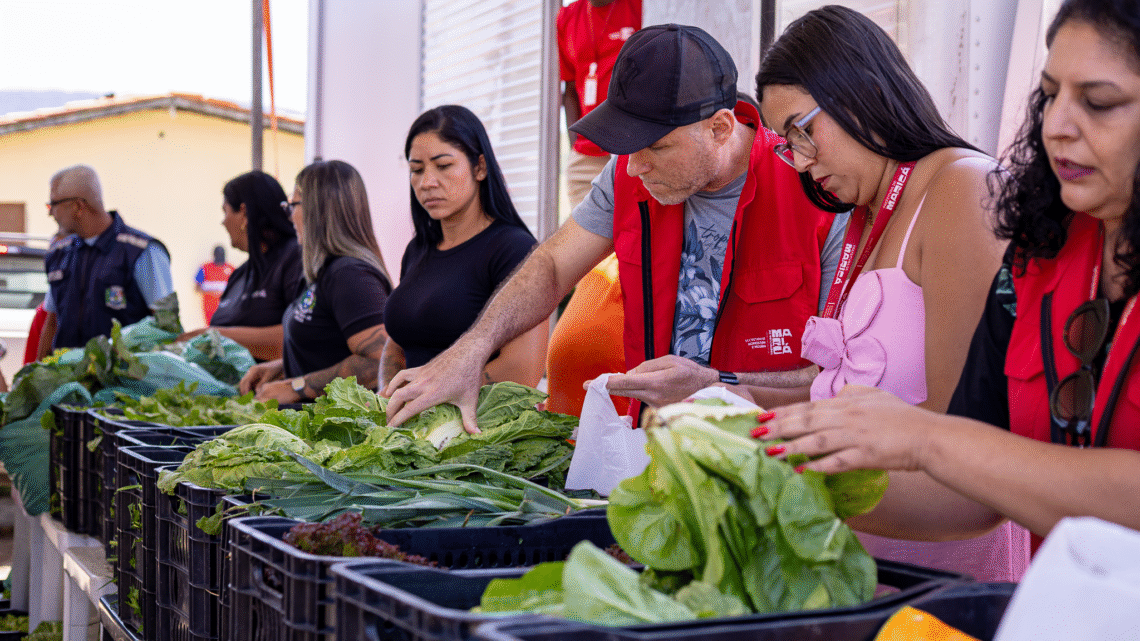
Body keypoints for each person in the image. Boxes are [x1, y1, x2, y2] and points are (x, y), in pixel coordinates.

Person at [755, 0, 1140, 565]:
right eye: (1049, 94)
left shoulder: (963, 190)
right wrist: (758, 468)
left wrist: (924, 439)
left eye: (1099, 102)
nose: (1055, 126)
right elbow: (970, 495)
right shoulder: (1046, 245)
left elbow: (954, 448)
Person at [384, 24, 844, 433]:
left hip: (778, 468)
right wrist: (472, 348)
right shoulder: (627, 172)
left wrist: (715, 383)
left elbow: (836, 380)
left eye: (657, 147)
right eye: (627, 144)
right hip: (651, 455)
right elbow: (550, 267)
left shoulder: (820, 192)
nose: (635, 166)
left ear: (720, 128)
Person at [755, 6, 1023, 581]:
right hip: (866, 568)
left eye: (803, 130)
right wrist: (726, 401)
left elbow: (969, 446)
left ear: (863, 89)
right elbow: (853, 397)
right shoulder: (866, 212)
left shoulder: (963, 190)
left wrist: (773, 477)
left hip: (945, 582)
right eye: (786, 145)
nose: (801, 162)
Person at [380, 105, 547, 388]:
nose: (427, 182)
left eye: (443, 166)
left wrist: (425, 395)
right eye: (416, 170)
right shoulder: (417, 250)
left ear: (479, 167)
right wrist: (385, 395)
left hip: (478, 426)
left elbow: (522, 370)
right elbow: (398, 344)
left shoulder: (514, 250)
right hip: (406, 424)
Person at [238, 160, 392, 402]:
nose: (290, 217)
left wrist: (296, 387)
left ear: (317, 210)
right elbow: (328, 350)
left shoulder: (350, 275)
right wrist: (281, 367)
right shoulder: (324, 272)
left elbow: (380, 362)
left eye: (293, 205)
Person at [37, 164, 173, 358]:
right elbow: (52, 320)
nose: (50, 213)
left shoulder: (142, 252)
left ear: (78, 206)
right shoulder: (60, 254)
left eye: (53, 204)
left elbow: (166, 326)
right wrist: (39, 372)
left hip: (121, 384)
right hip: (68, 380)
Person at [178, 171, 305, 361]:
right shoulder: (239, 274)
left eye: (226, 211)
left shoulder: (296, 259)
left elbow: (300, 337)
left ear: (244, 212)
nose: (223, 222)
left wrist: (214, 335)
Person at [558, 0, 641, 208]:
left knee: (631, 237)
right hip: (586, 159)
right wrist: (575, 144)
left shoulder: (641, 6)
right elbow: (569, 91)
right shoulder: (567, 17)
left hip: (634, 149)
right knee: (586, 238)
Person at [194, 245, 235, 324]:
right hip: (209, 308)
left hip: (226, 308)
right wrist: (213, 293)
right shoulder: (205, 268)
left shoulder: (231, 268)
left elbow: (237, 288)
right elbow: (197, 288)